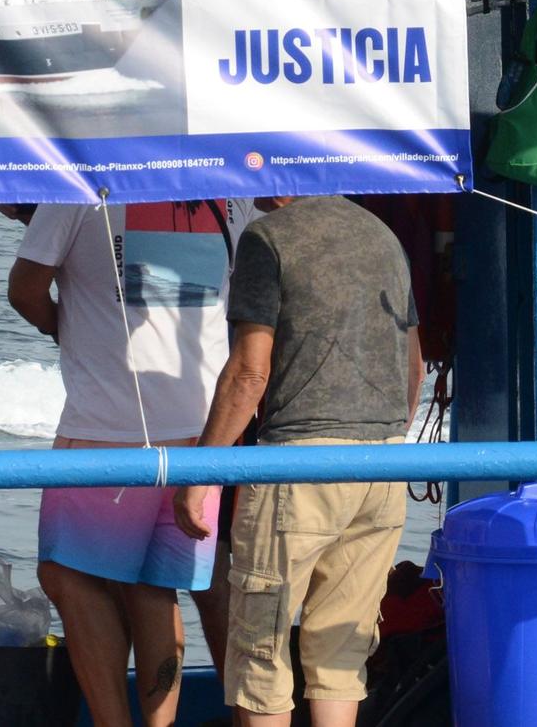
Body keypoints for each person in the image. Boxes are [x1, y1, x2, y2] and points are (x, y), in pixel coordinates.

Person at [173, 195, 424, 727]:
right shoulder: (382, 236)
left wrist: (199, 477)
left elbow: (248, 373)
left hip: (299, 465)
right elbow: (414, 368)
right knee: (340, 649)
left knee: (260, 649)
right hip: (381, 467)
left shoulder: (268, 238)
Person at [6, 198, 255, 727]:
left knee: (66, 576)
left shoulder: (81, 187)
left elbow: (24, 290)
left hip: (106, 428)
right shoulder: (233, 193)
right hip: (202, 429)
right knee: (154, 584)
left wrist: (66, 331)